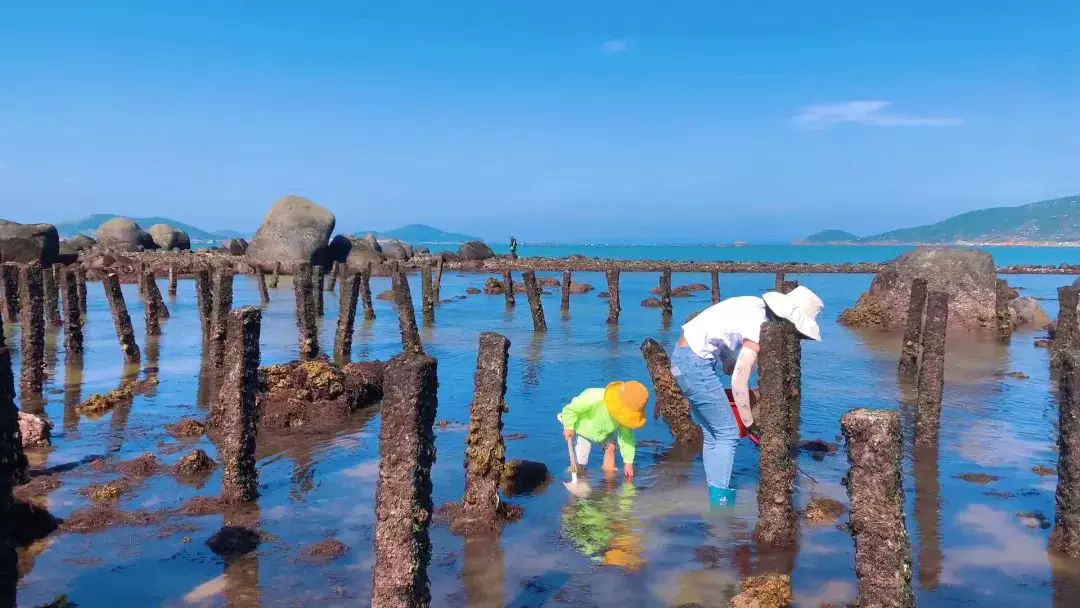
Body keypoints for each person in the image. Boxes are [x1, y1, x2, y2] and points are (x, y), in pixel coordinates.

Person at [670, 286, 823, 506]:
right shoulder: (760, 325)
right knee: (729, 433)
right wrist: (749, 423)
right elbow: (738, 382)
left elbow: (719, 337)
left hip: (681, 358)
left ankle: (715, 497)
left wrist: (728, 361)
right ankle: (722, 505)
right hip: (695, 364)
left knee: (714, 434)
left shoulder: (751, 303)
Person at [558, 381, 648, 480]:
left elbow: (627, 439)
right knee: (581, 459)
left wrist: (628, 462)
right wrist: (568, 427)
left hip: (606, 432)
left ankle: (609, 480)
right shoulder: (594, 398)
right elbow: (571, 410)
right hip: (584, 428)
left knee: (611, 447)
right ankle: (578, 475)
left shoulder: (625, 418)